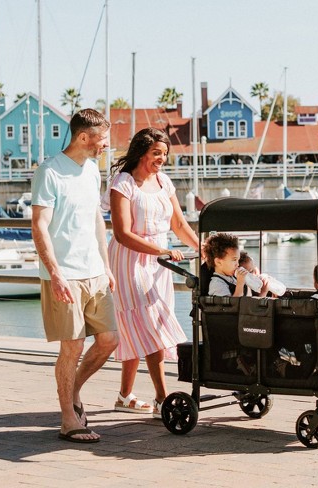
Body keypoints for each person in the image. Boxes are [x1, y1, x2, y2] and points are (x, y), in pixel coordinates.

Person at [31, 108, 119, 443]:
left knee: (109, 340)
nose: (105, 147)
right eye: (103, 141)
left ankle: (74, 390)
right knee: (73, 346)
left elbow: (96, 219)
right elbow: (39, 225)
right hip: (64, 275)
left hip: (95, 271)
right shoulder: (50, 172)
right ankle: (69, 418)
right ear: (84, 137)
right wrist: (54, 274)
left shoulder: (93, 170)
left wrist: (106, 264)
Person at [101, 127, 198, 419]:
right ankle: (161, 399)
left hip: (159, 265)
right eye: (157, 153)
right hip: (130, 261)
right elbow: (122, 233)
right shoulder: (123, 183)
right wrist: (161, 251)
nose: (162, 159)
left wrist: (203, 248)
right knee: (152, 327)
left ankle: (124, 395)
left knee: (139, 328)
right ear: (141, 152)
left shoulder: (164, 182)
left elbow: (179, 225)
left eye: (165, 154)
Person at [203, 233, 269, 297]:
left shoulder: (234, 277)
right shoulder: (217, 284)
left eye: (238, 260)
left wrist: (263, 292)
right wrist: (240, 284)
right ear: (218, 262)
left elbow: (249, 303)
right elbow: (231, 307)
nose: (237, 264)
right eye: (234, 260)